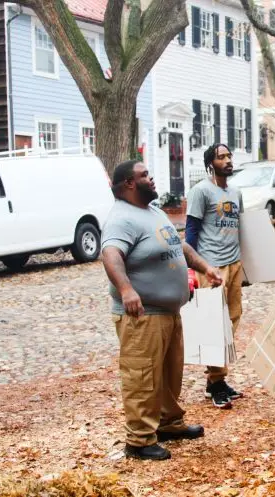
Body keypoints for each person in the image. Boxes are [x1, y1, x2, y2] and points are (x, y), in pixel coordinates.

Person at [102, 160, 223, 461]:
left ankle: (168, 423)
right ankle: (140, 439)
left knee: (169, 374)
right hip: (144, 315)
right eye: (145, 175)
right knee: (142, 375)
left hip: (170, 311)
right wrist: (127, 290)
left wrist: (205, 266)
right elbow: (111, 255)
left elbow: (179, 246)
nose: (152, 178)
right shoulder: (121, 218)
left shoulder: (153, 212)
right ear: (129, 183)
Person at [185, 143, 245, 409]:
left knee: (232, 319)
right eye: (222, 157)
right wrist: (193, 268)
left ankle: (216, 380)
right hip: (211, 266)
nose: (228, 160)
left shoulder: (235, 192)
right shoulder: (200, 191)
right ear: (211, 163)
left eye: (229, 155)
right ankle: (217, 381)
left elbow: (242, 229)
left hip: (233, 264)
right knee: (213, 324)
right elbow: (191, 231)